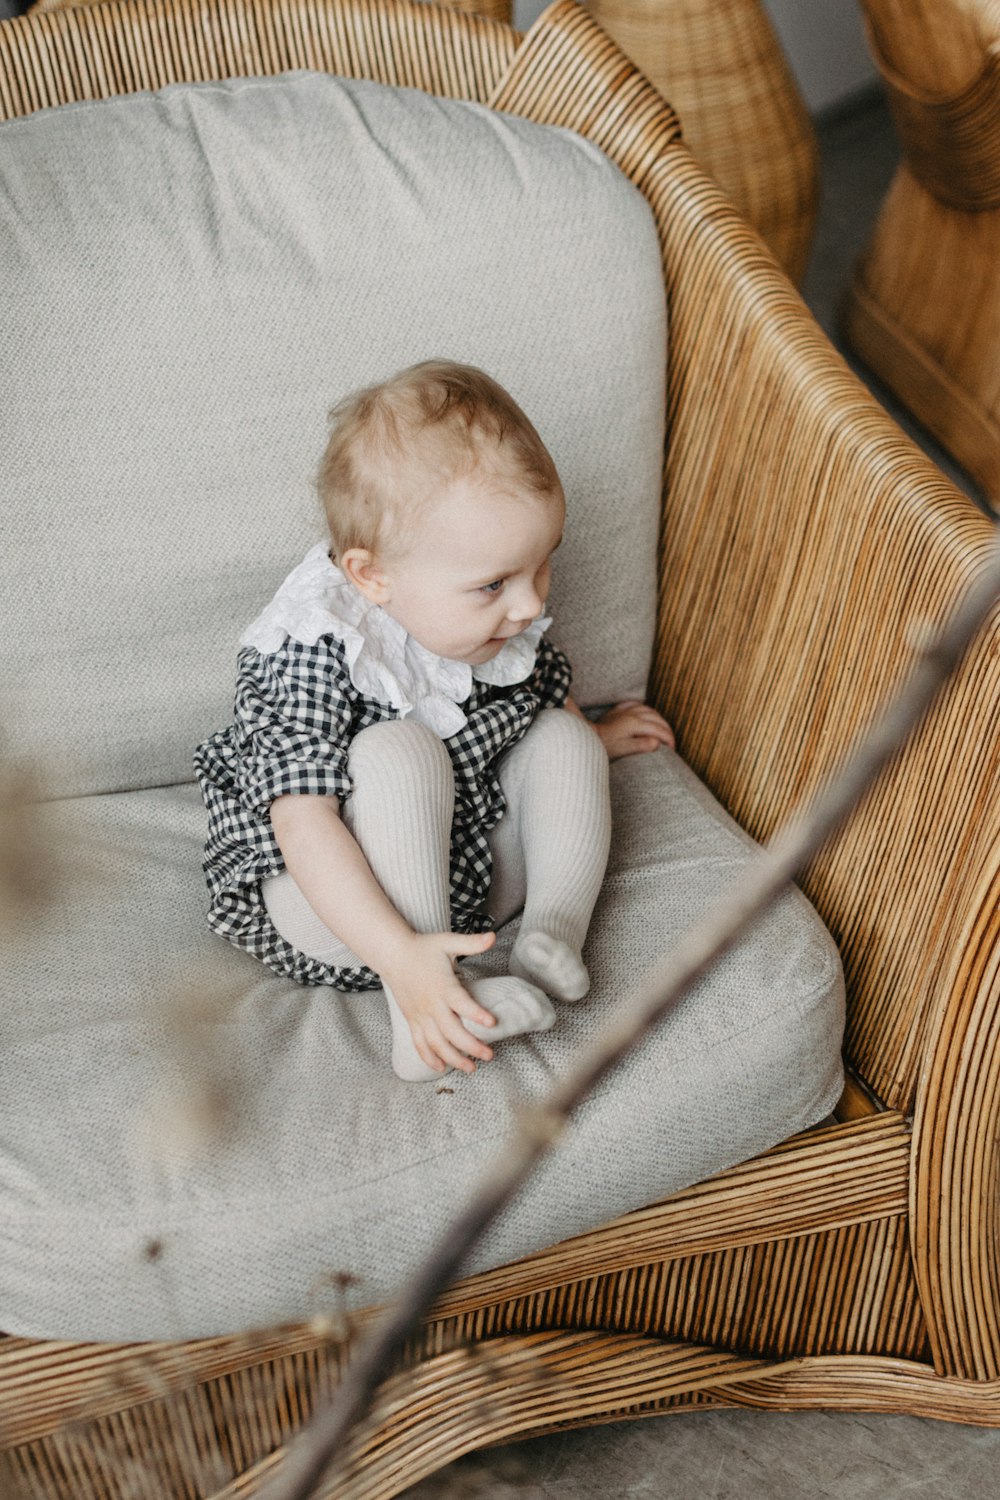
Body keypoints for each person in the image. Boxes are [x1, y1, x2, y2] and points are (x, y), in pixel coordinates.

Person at [195, 361, 674, 1082]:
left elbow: (537, 698)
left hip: (461, 873)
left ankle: (552, 932)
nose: (526, 605)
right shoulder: (312, 649)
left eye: (541, 565)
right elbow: (303, 826)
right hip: (338, 910)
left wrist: (592, 741)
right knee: (396, 750)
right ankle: (421, 1013)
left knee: (561, 733)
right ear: (371, 577)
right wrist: (400, 956)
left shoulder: (490, 620)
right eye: (494, 584)